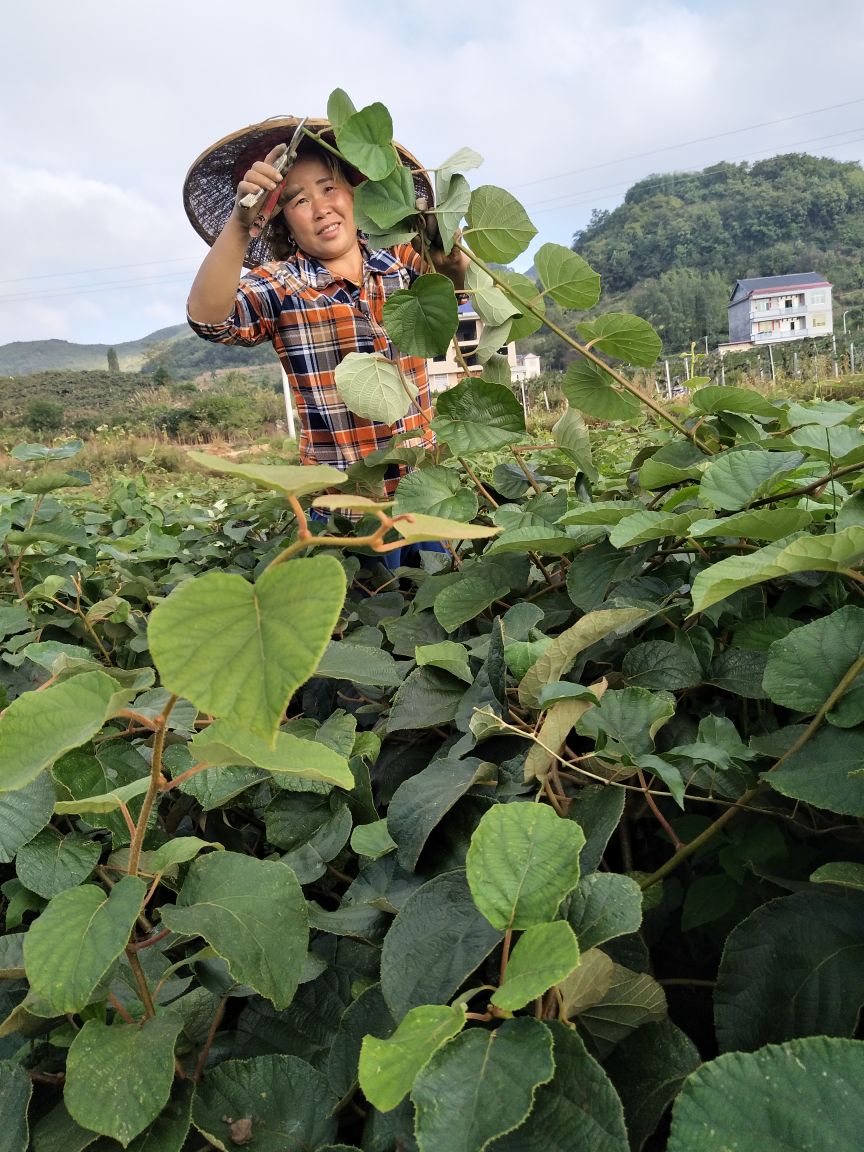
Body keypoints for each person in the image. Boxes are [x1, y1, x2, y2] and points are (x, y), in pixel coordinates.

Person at [184, 118, 468, 539]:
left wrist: (450, 256)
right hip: (340, 508)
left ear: (357, 193)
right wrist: (241, 224)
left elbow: (453, 288)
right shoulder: (280, 285)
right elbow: (212, 321)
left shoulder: (401, 262)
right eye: (298, 200)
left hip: (421, 493)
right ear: (283, 222)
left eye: (329, 188)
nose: (320, 209)